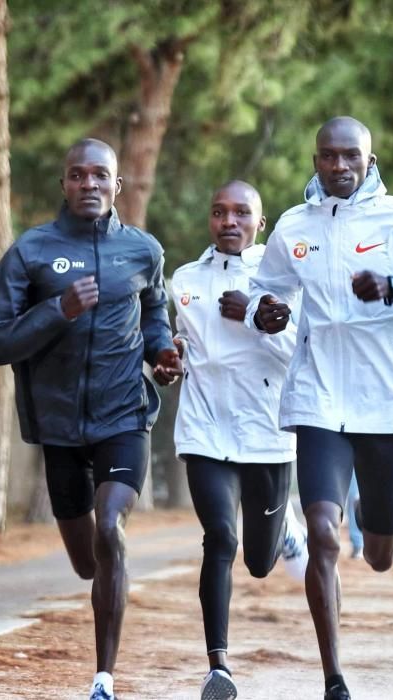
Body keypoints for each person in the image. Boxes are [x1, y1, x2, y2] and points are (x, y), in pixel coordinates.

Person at [245, 116, 393, 700]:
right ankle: (334, 677)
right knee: (324, 533)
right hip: (320, 398)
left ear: (370, 161)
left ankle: (376, 535)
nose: (339, 166)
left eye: (351, 156)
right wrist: (266, 311)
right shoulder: (294, 226)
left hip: (390, 403)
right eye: (328, 156)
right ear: (317, 159)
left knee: (377, 553)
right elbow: (266, 289)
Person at [0, 138, 183, 700]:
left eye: (100, 175)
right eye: (77, 175)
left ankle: (102, 679)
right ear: (64, 184)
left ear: (118, 186)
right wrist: (56, 309)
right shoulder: (32, 252)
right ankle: (101, 585)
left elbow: (154, 316)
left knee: (111, 527)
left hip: (124, 414)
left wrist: (160, 355)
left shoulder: (143, 251)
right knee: (89, 563)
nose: (89, 184)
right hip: (59, 426)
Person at [165, 180, 308, 700]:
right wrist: (168, 358)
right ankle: (218, 669)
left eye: (241, 212)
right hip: (204, 431)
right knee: (220, 538)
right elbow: (178, 344)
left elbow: (302, 355)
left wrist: (257, 318)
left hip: (267, 436)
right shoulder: (184, 279)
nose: (229, 221)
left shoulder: (284, 283)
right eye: (219, 211)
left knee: (258, 562)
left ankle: (285, 533)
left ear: (260, 224)